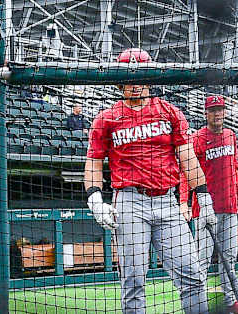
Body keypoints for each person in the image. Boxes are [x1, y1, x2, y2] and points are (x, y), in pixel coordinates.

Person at [84, 48, 211, 314]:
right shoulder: (106, 118)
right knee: (133, 283)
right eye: (130, 78)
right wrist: (94, 198)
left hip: (167, 201)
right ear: (120, 82)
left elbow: (187, 156)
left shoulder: (169, 111)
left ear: (150, 78)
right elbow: (94, 161)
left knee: (192, 274)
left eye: (141, 76)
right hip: (129, 202)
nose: (136, 83)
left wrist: (204, 195)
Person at [178, 94, 238, 313]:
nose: (217, 113)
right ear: (206, 113)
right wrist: (184, 201)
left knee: (229, 261)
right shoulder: (198, 138)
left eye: (220, 109)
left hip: (229, 208)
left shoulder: (231, 135)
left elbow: (234, 171)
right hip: (205, 210)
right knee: (201, 260)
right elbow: (187, 172)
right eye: (212, 110)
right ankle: (198, 306)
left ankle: (230, 303)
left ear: (225, 112)